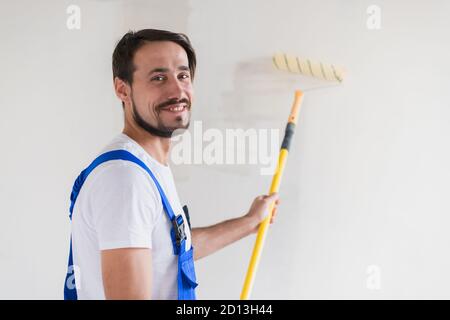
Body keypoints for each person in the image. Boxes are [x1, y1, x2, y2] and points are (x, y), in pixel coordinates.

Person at [64, 29, 280, 300]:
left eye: (183, 75)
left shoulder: (144, 168)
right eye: (158, 78)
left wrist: (250, 222)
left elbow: (169, 251)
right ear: (123, 89)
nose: (177, 90)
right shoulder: (125, 179)